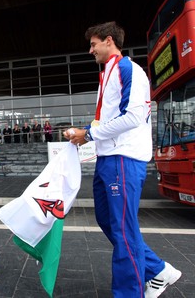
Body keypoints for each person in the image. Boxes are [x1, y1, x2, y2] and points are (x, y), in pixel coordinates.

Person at [63, 21, 181, 298]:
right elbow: (112, 119)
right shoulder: (107, 74)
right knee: (108, 222)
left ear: (108, 41)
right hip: (108, 158)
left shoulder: (129, 70)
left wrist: (89, 133)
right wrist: (85, 133)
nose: (90, 50)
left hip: (124, 159)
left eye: (93, 44)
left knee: (123, 230)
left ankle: (129, 293)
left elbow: (134, 117)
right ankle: (160, 271)